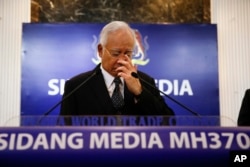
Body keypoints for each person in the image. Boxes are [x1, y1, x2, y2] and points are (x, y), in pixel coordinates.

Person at [59, 21, 174, 125]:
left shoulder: (145, 82)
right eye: (116, 53)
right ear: (100, 50)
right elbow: (63, 133)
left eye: (128, 54)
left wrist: (140, 92)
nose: (122, 60)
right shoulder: (76, 86)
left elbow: (168, 122)